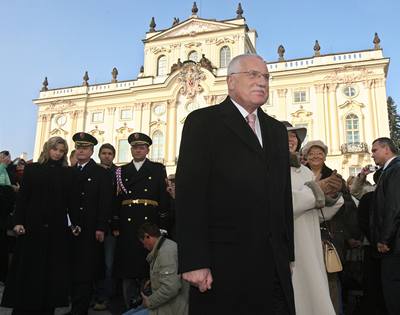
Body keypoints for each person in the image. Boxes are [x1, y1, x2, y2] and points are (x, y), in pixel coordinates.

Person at [175, 54, 295, 315]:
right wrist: (194, 260)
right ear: (231, 82)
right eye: (253, 75)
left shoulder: (276, 130)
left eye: (265, 77)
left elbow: (282, 195)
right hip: (223, 263)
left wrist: (287, 254)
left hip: (272, 262)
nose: (261, 81)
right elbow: (190, 195)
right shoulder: (203, 122)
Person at [1, 137, 78, 315]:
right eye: (55, 149)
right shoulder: (33, 169)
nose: (58, 153)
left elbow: (71, 202)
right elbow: (23, 199)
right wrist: (18, 222)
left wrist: (76, 223)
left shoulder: (68, 173)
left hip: (56, 228)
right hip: (32, 227)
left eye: (61, 151)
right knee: (29, 271)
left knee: (51, 272)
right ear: (47, 149)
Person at [284, 122, 343, 315]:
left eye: (294, 136)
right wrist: (318, 190)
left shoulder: (306, 171)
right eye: (286, 135)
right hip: (290, 245)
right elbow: (282, 205)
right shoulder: (270, 167)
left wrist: (333, 198)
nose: (292, 139)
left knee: (314, 294)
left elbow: (314, 213)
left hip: (310, 241)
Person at [113, 132, 170, 311]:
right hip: (127, 222)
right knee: (128, 265)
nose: (138, 150)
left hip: (149, 220)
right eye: (135, 147)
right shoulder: (121, 171)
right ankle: (129, 304)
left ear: (147, 150)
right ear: (131, 149)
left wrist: (163, 224)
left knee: (148, 264)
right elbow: (115, 200)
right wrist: (115, 223)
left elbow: (163, 196)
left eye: (142, 147)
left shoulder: (157, 168)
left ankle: (149, 305)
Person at [68, 132, 113, 315]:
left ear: (92, 151)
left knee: (86, 272)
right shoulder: (70, 172)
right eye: (78, 147)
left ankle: (80, 310)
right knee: (72, 268)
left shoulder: (100, 173)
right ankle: (73, 306)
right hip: (71, 228)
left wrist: (101, 227)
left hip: (90, 228)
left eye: (85, 148)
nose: (81, 151)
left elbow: (105, 202)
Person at [123, 223, 189, 315]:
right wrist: (153, 281)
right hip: (164, 305)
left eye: (143, 242)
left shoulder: (166, 252)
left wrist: (149, 301)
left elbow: (171, 288)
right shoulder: (162, 247)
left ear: (147, 236)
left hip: (170, 309)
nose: (144, 246)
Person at [370, 137, 400, 315]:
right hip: (394, 242)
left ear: (386, 149)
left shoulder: (395, 169)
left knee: (393, 289)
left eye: (375, 150)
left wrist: (384, 239)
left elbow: (394, 207)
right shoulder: (390, 170)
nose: (372, 154)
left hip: (394, 244)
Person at [92, 143, 118, 311]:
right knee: (93, 262)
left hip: (110, 226)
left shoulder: (118, 173)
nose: (107, 156)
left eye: (110, 153)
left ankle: (105, 297)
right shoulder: (92, 171)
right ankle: (92, 294)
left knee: (109, 264)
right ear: (99, 154)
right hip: (93, 225)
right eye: (104, 153)